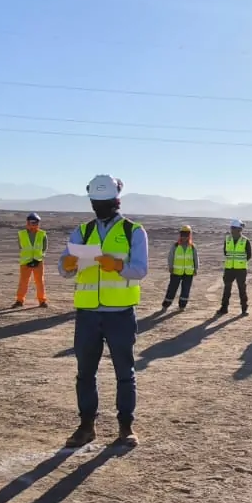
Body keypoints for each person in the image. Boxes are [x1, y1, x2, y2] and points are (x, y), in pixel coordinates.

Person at [60, 173, 147, 447]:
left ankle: (126, 427)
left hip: (120, 314)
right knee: (85, 373)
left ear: (116, 201)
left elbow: (140, 270)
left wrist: (118, 266)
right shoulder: (83, 231)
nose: (99, 209)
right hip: (88, 314)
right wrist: (69, 264)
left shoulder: (133, 231)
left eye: (104, 204)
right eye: (95, 204)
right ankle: (86, 426)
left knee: (125, 373)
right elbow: (64, 268)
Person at [13, 213, 49, 308]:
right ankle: (19, 300)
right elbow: (21, 247)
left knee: (40, 282)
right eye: (32, 222)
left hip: (38, 262)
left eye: (36, 223)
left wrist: (39, 258)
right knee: (23, 282)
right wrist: (28, 258)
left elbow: (44, 248)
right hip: (25, 262)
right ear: (28, 223)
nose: (34, 225)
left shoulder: (42, 234)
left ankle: (42, 301)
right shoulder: (21, 234)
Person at [218, 218, 251, 315]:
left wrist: (240, 262)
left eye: (234, 228)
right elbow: (225, 252)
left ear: (239, 229)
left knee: (242, 289)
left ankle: (244, 308)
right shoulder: (227, 239)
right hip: (229, 269)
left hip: (241, 269)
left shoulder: (245, 241)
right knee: (227, 289)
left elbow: (249, 255)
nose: (232, 230)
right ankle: (224, 308)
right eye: (232, 228)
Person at [160, 225, 197, 312]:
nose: (184, 237)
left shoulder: (192, 247)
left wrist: (196, 268)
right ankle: (166, 305)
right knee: (172, 289)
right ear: (180, 235)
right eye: (183, 234)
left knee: (186, 289)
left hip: (188, 272)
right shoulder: (175, 246)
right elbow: (170, 257)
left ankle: (182, 306)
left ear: (189, 235)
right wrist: (170, 267)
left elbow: (195, 258)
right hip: (176, 272)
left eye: (186, 234)